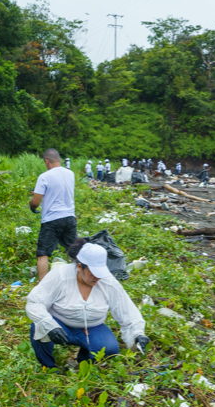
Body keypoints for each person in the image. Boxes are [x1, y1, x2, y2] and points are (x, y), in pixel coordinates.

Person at [26, 242, 149, 370]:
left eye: (100, 273)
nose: (97, 278)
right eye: (93, 273)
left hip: (91, 328)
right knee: (39, 327)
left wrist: (137, 334)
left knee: (110, 348)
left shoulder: (108, 282)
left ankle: (84, 361)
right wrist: (49, 325)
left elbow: (127, 311)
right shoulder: (60, 275)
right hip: (59, 323)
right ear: (80, 267)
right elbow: (35, 302)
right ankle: (48, 367)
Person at [29, 148, 77, 281]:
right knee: (74, 252)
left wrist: (31, 205)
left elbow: (36, 202)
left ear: (46, 161)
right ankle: (79, 281)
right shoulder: (70, 174)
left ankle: (43, 287)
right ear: (59, 160)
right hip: (69, 217)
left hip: (52, 219)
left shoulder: (44, 177)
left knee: (43, 253)